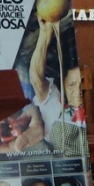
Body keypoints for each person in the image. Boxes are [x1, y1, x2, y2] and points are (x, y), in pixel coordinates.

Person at [28, 19, 88, 156]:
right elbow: (36, 77)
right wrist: (45, 33)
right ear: (62, 84)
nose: (78, 91)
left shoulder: (86, 105)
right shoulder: (53, 97)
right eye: (71, 85)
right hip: (61, 166)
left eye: (81, 84)